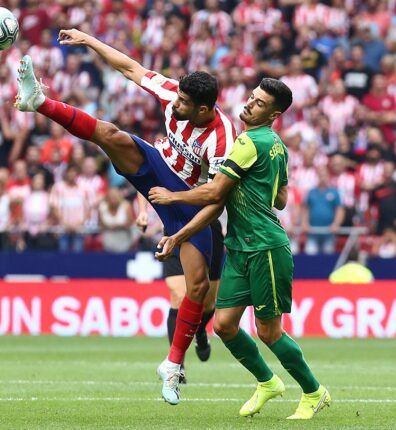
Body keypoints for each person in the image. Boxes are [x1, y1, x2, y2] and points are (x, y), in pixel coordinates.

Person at [15, 29, 234, 403]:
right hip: (159, 169)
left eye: (182, 102)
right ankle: (40, 101)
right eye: (176, 97)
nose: (173, 104)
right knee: (111, 135)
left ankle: (173, 361)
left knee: (200, 293)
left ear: (203, 109)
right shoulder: (173, 95)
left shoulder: (223, 138)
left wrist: (175, 224)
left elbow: (216, 198)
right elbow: (130, 68)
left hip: (194, 202)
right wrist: (89, 40)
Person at [148, 78, 330, 419]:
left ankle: (313, 391)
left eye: (259, 103)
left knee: (268, 332)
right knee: (224, 324)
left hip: (265, 247)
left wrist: (173, 197)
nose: (249, 104)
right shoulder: (277, 145)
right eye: (251, 97)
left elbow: (215, 193)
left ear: (274, 114)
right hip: (241, 246)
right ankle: (267, 382)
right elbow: (281, 197)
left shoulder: (246, 142)